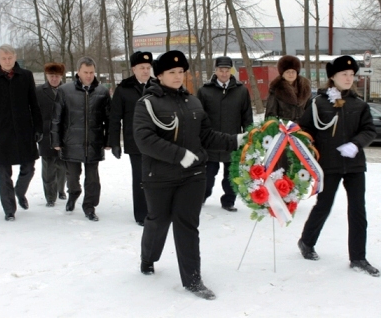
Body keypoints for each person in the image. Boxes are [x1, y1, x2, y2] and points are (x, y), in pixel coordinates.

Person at [133, 50, 247, 300]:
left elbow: (206, 136)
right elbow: (144, 139)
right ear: (159, 74)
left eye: (180, 72)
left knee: (187, 225)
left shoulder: (193, 102)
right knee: (158, 220)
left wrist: (237, 140)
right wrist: (179, 155)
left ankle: (193, 279)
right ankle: (148, 257)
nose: (177, 77)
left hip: (193, 175)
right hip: (160, 176)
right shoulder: (147, 104)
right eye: (171, 72)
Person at [297, 55, 379, 277]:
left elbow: (369, 130)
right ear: (332, 77)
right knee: (324, 205)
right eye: (344, 74)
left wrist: (356, 144)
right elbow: (304, 131)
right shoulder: (318, 103)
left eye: (352, 75)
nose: (349, 78)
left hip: (354, 166)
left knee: (358, 210)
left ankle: (358, 257)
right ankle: (306, 241)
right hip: (329, 165)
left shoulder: (359, 104)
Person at [0, 44, 43, 221]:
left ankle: (20, 191)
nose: (7, 61)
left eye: (10, 58)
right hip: (3, 131)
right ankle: (9, 209)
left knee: (29, 168)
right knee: (4, 173)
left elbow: (34, 104)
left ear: (15, 57)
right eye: (3, 58)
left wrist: (38, 127)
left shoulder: (26, 76)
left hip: (25, 130)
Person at [50, 56, 110, 222]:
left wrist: (108, 140)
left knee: (92, 179)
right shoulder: (65, 91)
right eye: (86, 72)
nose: (89, 75)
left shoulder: (102, 92)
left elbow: (109, 119)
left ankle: (89, 207)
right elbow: (57, 118)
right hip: (71, 142)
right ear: (78, 72)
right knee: (73, 176)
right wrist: (56, 140)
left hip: (93, 142)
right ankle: (73, 194)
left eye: (91, 72)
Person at [197, 56, 253, 212]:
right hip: (210, 142)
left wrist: (249, 136)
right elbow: (198, 117)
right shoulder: (204, 91)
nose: (224, 73)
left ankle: (229, 201)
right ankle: (201, 197)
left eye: (227, 70)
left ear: (231, 71)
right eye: (221, 70)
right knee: (207, 176)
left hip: (233, 141)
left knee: (231, 176)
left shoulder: (241, 91)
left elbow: (247, 116)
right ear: (215, 71)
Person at [109, 51, 153, 226]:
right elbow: (115, 117)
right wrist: (114, 142)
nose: (145, 71)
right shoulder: (124, 89)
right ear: (134, 68)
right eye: (142, 68)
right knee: (140, 178)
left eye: (148, 68)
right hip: (134, 141)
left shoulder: (157, 87)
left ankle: (156, 210)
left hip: (156, 141)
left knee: (155, 177)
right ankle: (142, 214)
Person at [36, 62, 67, 207]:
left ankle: (60, 189)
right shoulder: (39, 92)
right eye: (51, 76)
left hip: (64, 134)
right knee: (48, 167)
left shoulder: (68, 90)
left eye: (57, 76)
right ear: (47, 76)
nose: (54, 79)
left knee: (62, 165)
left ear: (61, 76)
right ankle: (50, 196)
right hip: (46, 134)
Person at [265, 55, 311, 122]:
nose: (291, 74)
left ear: (297, 73)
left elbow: (310, 110)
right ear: (282, 74)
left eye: (293, 72)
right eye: (287, 72)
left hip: (304, 128)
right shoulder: (276, 89)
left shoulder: (305, 88)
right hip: (284, 128)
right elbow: (271, 114)